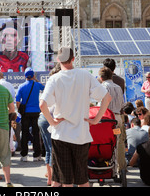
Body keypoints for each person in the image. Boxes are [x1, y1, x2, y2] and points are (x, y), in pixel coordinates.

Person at [39, 47, 111, 187]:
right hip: (81, 134)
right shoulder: (85, 75)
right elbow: (107, 98)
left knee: (65, 180)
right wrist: (96, 120)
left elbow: (42, 105)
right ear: (73, 59)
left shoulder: (54, 78)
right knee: (82, 179)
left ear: (58, 59)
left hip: (61, 134)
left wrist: (52, 122)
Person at [98, 66, 126, 173]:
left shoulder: (102, 87)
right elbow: (122, 104)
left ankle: (107, 167)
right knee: (117, 142)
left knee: (106, 142)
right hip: (117, 119)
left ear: (101, 77)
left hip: (106, 120)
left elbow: (100, 105)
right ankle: (118, 168)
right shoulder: (118, 87)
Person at [38, 62, 61, 186]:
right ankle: (54, 180)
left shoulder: (50, 83)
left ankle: (50, 179)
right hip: (50, 118)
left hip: (42, 118)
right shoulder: (58, 84)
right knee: (53, 150)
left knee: (48, 150)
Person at [15, 67, 44, 162]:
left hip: (25, 113)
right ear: (33, 76)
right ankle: (36, 155)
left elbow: (18, 101)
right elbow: (45, 88)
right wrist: (36, 79)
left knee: (24, 133)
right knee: (36, 134)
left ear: (25, 76)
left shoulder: (21, 86)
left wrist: (20, 110)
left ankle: (24, 155)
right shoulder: (37, 85)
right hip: (36, 112)